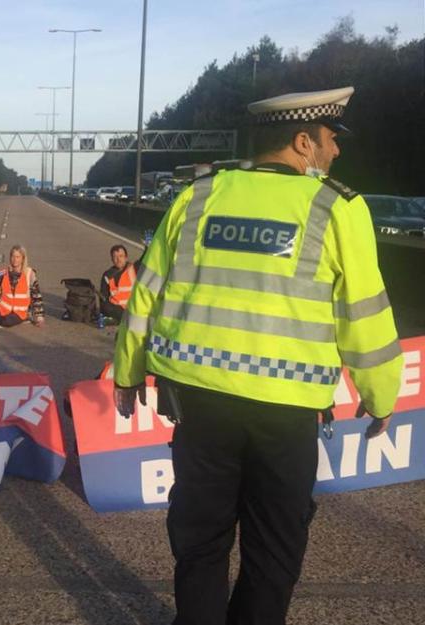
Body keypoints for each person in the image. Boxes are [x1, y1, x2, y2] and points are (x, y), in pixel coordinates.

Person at [112, 87, 402, 625]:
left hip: (199, 405)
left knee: (200, 542)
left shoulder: (196, 197)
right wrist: (381, 394)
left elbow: (144, 294)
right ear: (302, 142)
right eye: (331, 140)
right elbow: (364, 314)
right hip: (285, 413)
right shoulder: (337, 208)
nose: (336, 151)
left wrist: (127, 372)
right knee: (273, 551)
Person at [0, 244, 44, 327]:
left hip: (19, 313)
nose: (14, 260)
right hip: (3, 308)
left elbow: (36, 296)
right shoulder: (3, 273)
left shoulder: (30, 273)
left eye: (18, 257)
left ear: (23, 259)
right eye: (12, 256)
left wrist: (39, 317)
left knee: (7, 322)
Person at [99, 244, 142, 323]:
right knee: (105, 307)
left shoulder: (134, 268)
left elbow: (145, 259)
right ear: (112, 259)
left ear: (126, 257)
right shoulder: (107, 275)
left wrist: (147, 247)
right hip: (117, 308)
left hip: (133, 306)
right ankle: (124, 318)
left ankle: (121, 319)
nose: (118, 259)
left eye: (121, 256)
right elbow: (103, 297)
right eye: (115, 257)